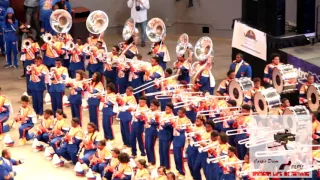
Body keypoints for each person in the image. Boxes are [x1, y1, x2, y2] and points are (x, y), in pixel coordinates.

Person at [172, 107, 191, 179]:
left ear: (184, 113)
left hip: (181, 138)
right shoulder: (177, 118)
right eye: (178, 112)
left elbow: (181, 130)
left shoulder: (186, 120)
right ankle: (178, 170)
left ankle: (182, 172)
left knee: (180, 156)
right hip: (175, 138)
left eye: (180, 113)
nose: (178, 114)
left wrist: (175, 125)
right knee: (175, 156)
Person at [144, 99, 160, 169]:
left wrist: (147, 119)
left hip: (153, 130)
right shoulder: (149, 111)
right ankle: (149, 161)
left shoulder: (158, 113)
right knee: (147, 146)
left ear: (156, 107)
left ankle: (153, 162)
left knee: (150, 146)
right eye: (150, 105)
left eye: (153, 106)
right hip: (147, 130)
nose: (151, 107)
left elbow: (155, 122)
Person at [158, 103, 174, 171]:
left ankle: (167, 167)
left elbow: (167, 125)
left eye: (167, 109)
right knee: (160, 151)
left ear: (171, 109)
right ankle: (162, 165)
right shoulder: (163, 114)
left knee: (165, 152)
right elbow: (160, 122)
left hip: (167, 136)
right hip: (161, 134)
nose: (166, 110)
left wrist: (163, 123)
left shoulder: (172, 116)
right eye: (165, 108)